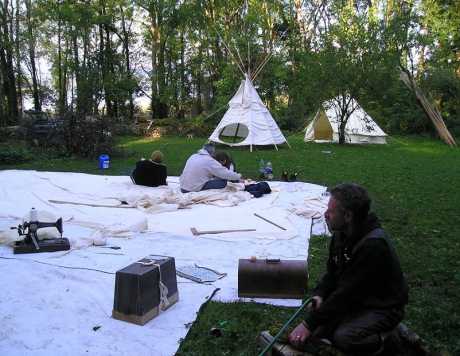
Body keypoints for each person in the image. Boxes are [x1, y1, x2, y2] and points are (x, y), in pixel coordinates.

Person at [289, 183, 408, 355]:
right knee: (322, 329)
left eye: (331, 211)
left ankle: (389, 339)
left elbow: (347, 293)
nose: (325, 214)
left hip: (383, 305)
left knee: (344, 337)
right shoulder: (340, 234)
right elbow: (332, 273)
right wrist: (320, 294)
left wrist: (308, 324)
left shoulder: (373, 246)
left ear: (347, 216)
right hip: (360, 297)